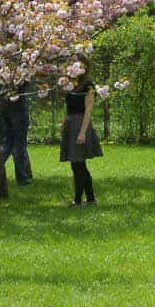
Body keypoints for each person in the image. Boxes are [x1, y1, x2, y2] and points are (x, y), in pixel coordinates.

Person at [60, 66, 102, 207]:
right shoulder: (70, 85)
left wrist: (83, 132)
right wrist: (65, 121)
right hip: (71, 125)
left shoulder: (88, 87)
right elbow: (68, 107)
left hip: (80, 125)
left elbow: (88, 111)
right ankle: (90, 199)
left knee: (79, 165)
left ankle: (78, 200)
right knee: (77, 165)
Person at [0, 85, 33, 186]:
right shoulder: (20, 75)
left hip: (7, 110)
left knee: (8, 144)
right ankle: (21, 178)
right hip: (18, 112)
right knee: (19, 147)